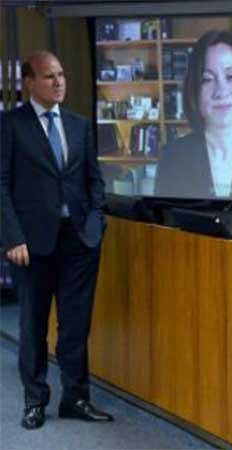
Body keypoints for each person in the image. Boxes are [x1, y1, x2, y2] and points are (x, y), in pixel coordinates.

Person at [1, 51, 113, 429]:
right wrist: (11, 238)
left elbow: (94, 180)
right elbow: (0, 186)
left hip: (79, 240)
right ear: (30, 82)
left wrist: (96, 226)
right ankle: (35, 401)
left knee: (75, 326)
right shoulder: (10, 125)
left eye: (62, 75)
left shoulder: (79, 125)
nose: (59, 82)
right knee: (33, 325)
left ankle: (76, 398)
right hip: (30, 245)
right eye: (50, 77)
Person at [154, 30, 232, 199]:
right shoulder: (172, 158)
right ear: (194, 90)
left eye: (230, 76)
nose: (221, 92)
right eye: (207, 79)